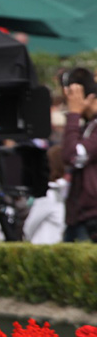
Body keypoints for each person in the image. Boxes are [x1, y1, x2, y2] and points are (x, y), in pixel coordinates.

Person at [62, 75, 97, 242]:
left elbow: (72, 155)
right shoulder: (88, 126)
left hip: (92, 217)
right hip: (81, 217)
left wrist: (74, 114)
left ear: (89, 98)